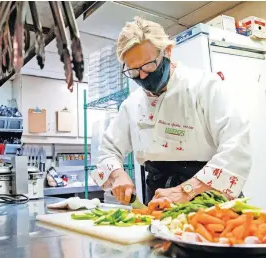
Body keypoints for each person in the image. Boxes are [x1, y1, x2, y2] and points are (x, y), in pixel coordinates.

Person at [91, 17, 251, 210]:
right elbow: (108, 149)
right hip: (159, 196)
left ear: (167, 51)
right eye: (133, 71)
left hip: (207, 194)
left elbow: (236, 147)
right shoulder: (133, 104)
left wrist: (186, 190)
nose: (142, 76)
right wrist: (117, 174)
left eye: (148, 65)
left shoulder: (204, 86)